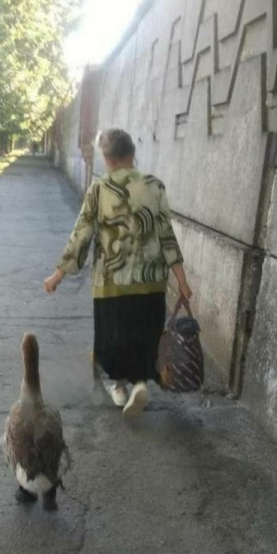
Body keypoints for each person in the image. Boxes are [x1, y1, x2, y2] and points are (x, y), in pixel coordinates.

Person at [44, 129, 192, 416]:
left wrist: (58, 276)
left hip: (112, 283)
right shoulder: (155, 186)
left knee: (113, 338)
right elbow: (166, 236)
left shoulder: (100, 188)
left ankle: (120, 387)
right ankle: (140, 383)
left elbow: (82, 234)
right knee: (144, 335)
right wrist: (182, 282)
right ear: (132, 153)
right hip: (151, 283)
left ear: (106, 158)